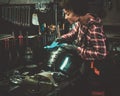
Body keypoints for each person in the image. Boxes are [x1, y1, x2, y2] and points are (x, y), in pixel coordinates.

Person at [47, 0, 107, 96]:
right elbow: (73, 33)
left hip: (95, 68)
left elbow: (101, 54)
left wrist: (76, 49)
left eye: (68, 14)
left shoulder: (94, 28)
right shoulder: (81, 22)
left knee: (94, 89)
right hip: (86, 64)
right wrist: (60, 39)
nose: (66, 17)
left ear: (77, 11)